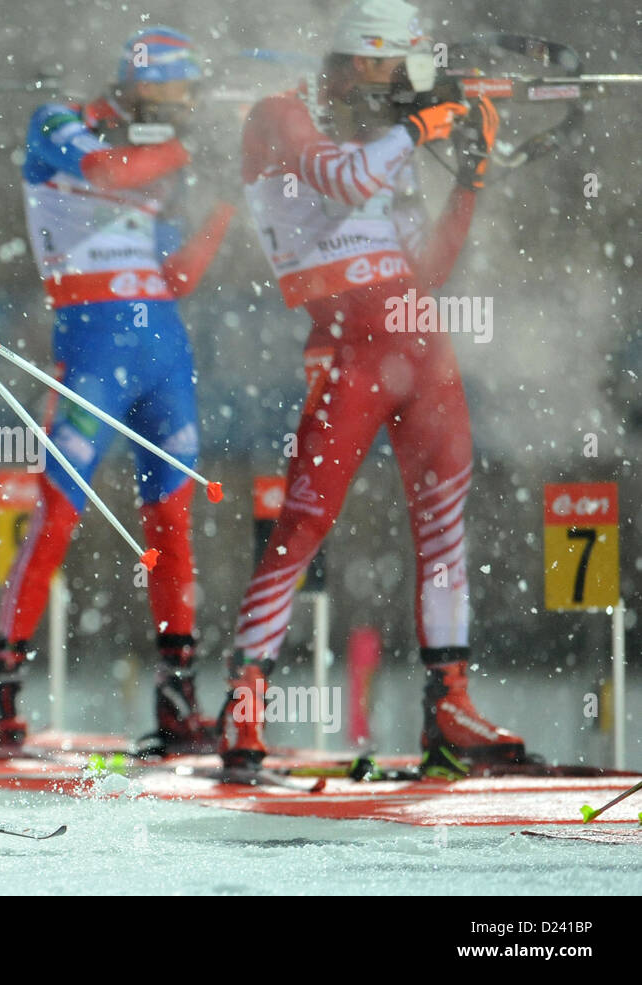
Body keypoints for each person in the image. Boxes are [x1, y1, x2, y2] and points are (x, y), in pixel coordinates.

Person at [221, 0, 522, 772]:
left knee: (444, 524)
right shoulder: (280, 113)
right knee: (305, 522)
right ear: (358, 61)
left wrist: (471, 179)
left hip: (420, 341)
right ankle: (244, 701)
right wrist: (423, 127)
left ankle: (449, 702)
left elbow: (428, 269)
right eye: (393, 75)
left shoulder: (380, 140)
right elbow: (346, 181)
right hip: (348, 344)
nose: (401, 94)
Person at [0, 27, 235, 755]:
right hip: (91, 346)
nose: (184, 108)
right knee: (58, 512)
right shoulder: (59, 120)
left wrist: (225, 207)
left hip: (164, 349)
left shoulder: (163, 157)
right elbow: (108, 168)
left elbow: (177, 274)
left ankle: (180, 691)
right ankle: (1, 678)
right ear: (141, 84)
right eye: (176, 95)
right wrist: (190, 148)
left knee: (173, 521)